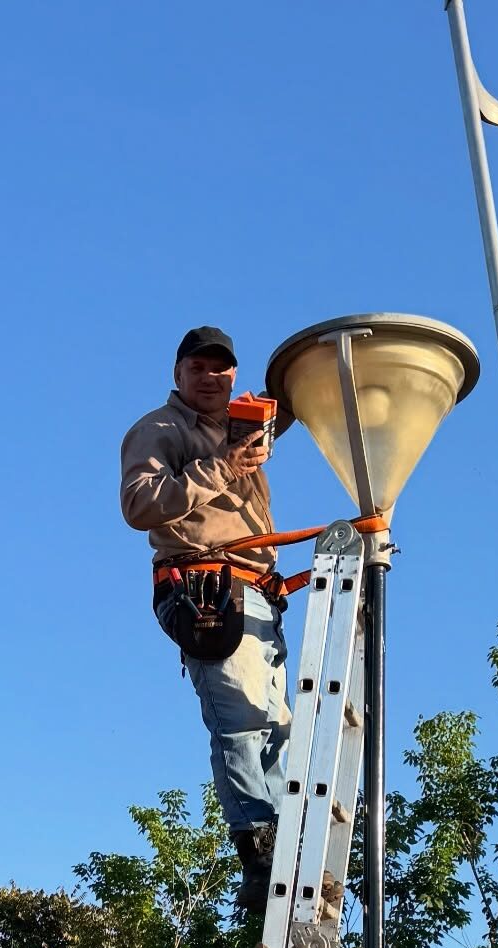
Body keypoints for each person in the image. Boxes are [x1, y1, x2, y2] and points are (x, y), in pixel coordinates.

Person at [120, 325, 292, 912]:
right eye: (198, 367)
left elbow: (297, 404)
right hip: (208, 589)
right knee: (240, 720)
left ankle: (287, 846)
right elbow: (139, 504)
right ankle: (260, 854)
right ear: (178, 373)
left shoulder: (241, 428)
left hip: (258, 593)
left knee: (276, 728)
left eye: (222, 368)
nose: (211, 377)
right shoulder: (161, 430)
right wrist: (221, 466)